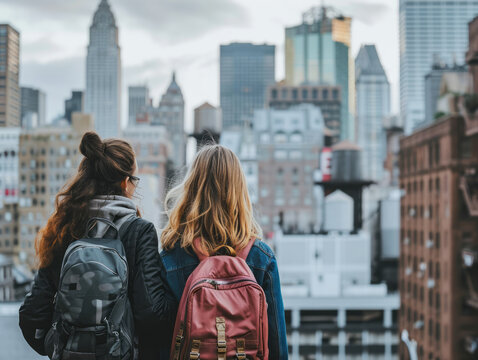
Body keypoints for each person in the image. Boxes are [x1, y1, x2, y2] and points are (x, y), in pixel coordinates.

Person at [19, 131, 174, 360]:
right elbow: (152, 312)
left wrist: (61, 348)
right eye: (135, 180)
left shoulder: (64, 227)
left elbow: (32, 315)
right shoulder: (139, 232)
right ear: (125, 183)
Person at [159, 144, 289, 359]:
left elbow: (163, 341)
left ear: (191, 189)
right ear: (239, 192)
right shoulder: (261, 257)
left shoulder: (171, 256)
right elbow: (277, 344)